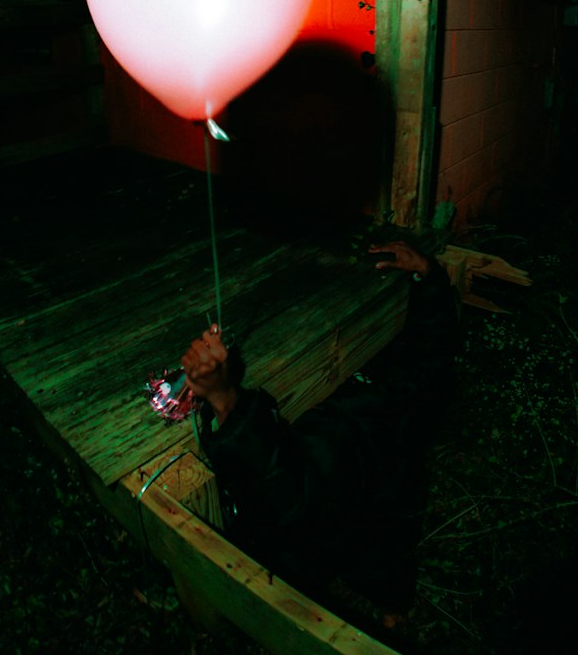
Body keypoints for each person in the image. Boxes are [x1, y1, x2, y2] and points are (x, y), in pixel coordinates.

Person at [180, 241, 460, 619]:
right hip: (381, 498)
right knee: (382, 554)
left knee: (363, 561)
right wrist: (429, 276)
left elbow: (292, 490)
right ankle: (393, 603)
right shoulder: (408, 386)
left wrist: (225, 399)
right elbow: (435, 349)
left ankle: (386, 609)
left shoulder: (346, 441)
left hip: (351, 518)